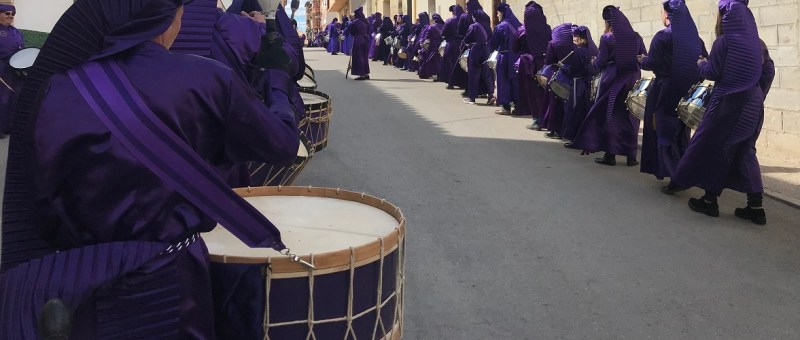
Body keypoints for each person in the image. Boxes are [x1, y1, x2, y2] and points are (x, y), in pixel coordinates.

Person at [0, 0, 299, 337]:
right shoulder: (209, 78)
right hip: (172, 280)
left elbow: (43, 203)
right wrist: (276, 80)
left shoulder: (58, 88)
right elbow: (283, 146)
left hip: (85, 280)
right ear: (165, 21)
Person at [663, 0, 774, 225]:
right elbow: (769, 71)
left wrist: (702, 63)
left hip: (728, 102)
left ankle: (709, 200)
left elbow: (712, 72)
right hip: (753, 103)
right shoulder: (757, 43)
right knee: (744, 150)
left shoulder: (724, 41)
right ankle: (755, 207)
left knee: (710, 145)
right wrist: (758, 94)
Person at [571, 6, 645, 166]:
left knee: (610, 115)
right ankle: (631, 156)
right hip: (632, 78)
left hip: (612, 79)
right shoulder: (636, 37)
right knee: (630, 115)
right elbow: (643, 55)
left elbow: (601, 61)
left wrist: (594, 62)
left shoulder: (607, 38)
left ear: (607, 22)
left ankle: (610, 154)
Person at [638, 0, 704, 181]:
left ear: (667, 15)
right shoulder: (696, 39)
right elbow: (703, 62)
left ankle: (673, 173)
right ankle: (684, 168)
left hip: (663, 89)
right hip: (687, 91)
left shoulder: (662, 36)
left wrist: (642, 60)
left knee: (661, 128)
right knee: (681, 130)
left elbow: (652, 63)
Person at [559, 25, 598, 142]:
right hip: (591, 83)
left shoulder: (579, 52)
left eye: (575, 37)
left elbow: (573, 70)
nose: (574, 39)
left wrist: (562, 66)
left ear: (581, 38)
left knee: (575, 110)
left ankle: (575, 138)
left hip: (579, 84)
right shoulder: (594, 50)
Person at [539, 23, 573, 138]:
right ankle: (564, 131)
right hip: (570, 76)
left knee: (553, 104)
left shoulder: (554, 43)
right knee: (566, 105)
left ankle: (555, 130)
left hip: (556, 76)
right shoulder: (573, 43)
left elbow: (548, 60)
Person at [521, 1, 551, 129]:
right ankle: (547, 120)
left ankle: (537, 120)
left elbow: (516, 47)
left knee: (533, 94)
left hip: (529, 65)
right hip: (545, 64)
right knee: (546, 93)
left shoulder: (523, 32)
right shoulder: (547, 28)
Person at [491, 3, 522, 115]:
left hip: (504, 57)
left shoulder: (500, 27)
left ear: (502, 13)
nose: (497, 15)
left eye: (498, 13)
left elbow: (493, 44)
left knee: (503, 81)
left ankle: (506, 107)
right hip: (517, 57)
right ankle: (518, 107)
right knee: (515, 82)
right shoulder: (518, 25)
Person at [462, 8, 495, 105]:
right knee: (487, 74)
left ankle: (472, 97)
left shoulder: (473, 26)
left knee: (473, 75)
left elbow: (467, 39)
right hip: (486, 50)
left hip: (475, 51)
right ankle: (490, 95)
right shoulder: (487, 26)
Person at [0, 3, 23, 135]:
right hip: (2, 68)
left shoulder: (16, 32)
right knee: (2, 99)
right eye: (6, 13)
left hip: (15, 69)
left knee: (14, 98)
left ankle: (10, 127)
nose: (10, 16)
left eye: (12, 14)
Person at [438, 5, 464, 86]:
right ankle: (461, 82)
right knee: (460, 63)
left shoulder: (449, 20)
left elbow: (444, 32)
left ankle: (451, 82)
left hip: (451, 43)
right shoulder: (465, 19)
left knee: (449, 63)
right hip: (462, 43)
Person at [417, 13, 443, 79]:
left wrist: (422, 43)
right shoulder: (444, 25)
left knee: (431, 60)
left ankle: (426, 74)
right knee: (440, 60)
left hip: (433, 45)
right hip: (442, 45)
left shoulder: (431, 27)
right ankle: (440, 75)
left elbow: (427, 36)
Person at [349, 7, 371, 80]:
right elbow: (368, 31)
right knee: (365, 57)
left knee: (359, 57)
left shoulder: (356, 22)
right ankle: (366, 73)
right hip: (366, 39)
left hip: (358, 39)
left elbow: (352, 32)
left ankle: (361, 74)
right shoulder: (366, 21)